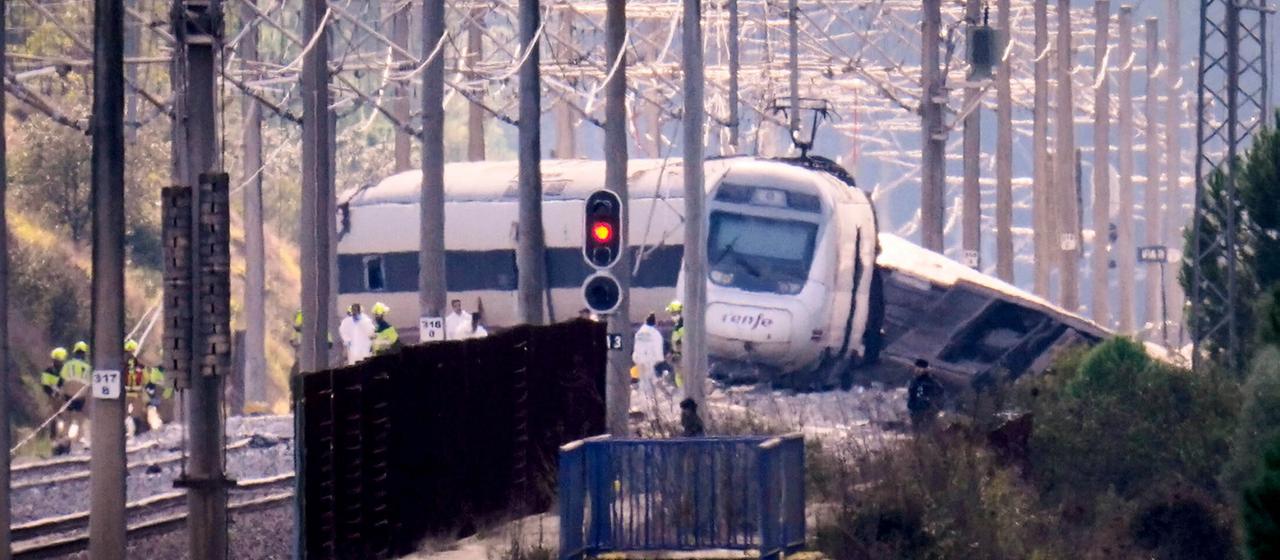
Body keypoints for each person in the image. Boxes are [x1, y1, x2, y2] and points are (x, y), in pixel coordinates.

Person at [632, 313, 664, 405]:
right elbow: (658, 349)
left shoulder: (639, 333)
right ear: (655, 323)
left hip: (640, 360)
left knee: (644, 381)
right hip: (650, 361)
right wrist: (658, 360)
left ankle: (647, 401)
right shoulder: (655, 334)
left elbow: (637, 347)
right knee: (651, 381)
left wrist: (637, 358)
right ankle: (653, 402)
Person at [907, 359, 944, 433]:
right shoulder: (915, 381)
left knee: (926, 430)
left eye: (919, 368)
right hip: (916, 410)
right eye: (916, 368)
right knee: (916, 430)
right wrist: (911, 405)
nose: (917, 370)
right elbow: (912, 394)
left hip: (927, 410)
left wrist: (933, 403)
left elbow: (939, 392)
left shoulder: (931, 382)